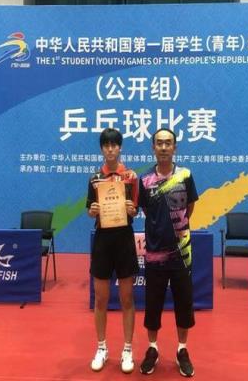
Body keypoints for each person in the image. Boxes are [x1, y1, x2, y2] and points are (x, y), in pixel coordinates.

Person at [138, 128, 199, 377]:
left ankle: (182, 349)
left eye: (168, 143)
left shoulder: (185, 175)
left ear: (175, 147)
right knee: (153, 303)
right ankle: (152, 347)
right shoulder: (144, 180)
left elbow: (190, 207)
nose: (164, 147)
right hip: (154, 252)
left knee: (184, 302)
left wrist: (178, 229)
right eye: (159, 143)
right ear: (153, 147)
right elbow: (145, 211)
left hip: (182, 251)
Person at [86, 128, 139, 373]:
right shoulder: (94, 178)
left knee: (127, 298)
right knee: (101, 299)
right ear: (101, 149)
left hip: (124, 239)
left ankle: (127, 349)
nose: (110, 149)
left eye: (114, 145)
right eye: (106, 145)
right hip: (103, 241)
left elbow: (136, 208)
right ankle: (102, 347)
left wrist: (132, 209)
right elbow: (90, 209)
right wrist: (92, 211)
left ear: (120, 148)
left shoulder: (131, 176)